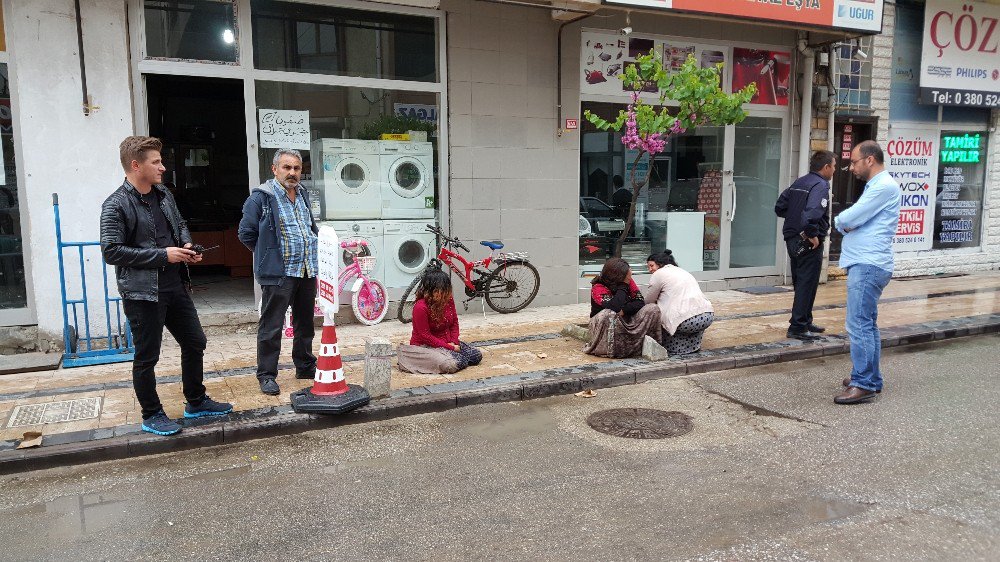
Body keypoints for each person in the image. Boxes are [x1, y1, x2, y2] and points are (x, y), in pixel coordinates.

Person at [101, 136, 232, 436]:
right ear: (136, 165)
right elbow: (111, 251)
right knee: (147, 357)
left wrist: (185, 244)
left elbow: (180, 223)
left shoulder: (163, 195)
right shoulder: (116, 204)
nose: (163, 167)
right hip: (142, 292)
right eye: (156, 162)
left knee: (195, 341)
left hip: (175, 286)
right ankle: (151, 414)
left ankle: (196, 402)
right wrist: (163, 254)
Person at [238, 149, 320, 396]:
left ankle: (305, 366)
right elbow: (246, 233)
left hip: (306, 270)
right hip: (279, 273)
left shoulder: (303, 194)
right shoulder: (261, 198)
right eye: (287, 167)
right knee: (271, 326)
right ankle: (266, 375)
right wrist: (268, 255)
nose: (292, 173)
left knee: (305, 324)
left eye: (296, 168)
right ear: (275, 169)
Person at [832, 141, 900, 405]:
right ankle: (870, 377)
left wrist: (841, 222)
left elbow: (849, 219)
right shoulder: (878, 187)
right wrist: (851, 224)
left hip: (868, 264)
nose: (851, 168)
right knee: (867, 324)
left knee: (858, 324)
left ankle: (864, 383)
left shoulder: (883, 187)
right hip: (869, 262)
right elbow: (857, 220)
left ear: (870, 160)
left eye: (854, 162)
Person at [774, 150, 835, 341]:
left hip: (792, 238)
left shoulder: (800, 182)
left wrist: (796, 217)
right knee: (807, 283)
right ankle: (798, 327)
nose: (834, 170)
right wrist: (811, 234)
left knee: (802, 282)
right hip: (807, 241)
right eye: (833, 166)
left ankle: (805, 320)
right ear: (826, 167)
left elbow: (780, 207)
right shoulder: (820, 185)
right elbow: (813, 213)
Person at [397, 268, 483, 374]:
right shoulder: (420, 307)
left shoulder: (448, 299)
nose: (442, 294)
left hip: (448, 342)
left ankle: (451, 355)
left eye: (445, 290)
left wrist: (454, 342)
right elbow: (425, 336)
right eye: (438, 291)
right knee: (453, 364)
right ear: (429, 291)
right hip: (427, 347)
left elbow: (454, 323)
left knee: (476, 356)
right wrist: (450, 347)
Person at [584, 258, 661, 358]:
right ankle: (610, 351)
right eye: (627, 275)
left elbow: (640, 302)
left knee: (653, 308)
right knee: (609, 313)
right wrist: (623, 285)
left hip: (626, 317)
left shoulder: (628, 280)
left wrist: (624, 311)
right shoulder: (598, 287)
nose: (630, 277)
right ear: (617, 275)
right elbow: (614, 307)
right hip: (604, 324)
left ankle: (647, 346)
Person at [645, 251, 714, 355]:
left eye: (651, 266)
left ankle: (673, 348)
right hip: (707, 315)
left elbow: (649, 300)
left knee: (653, 310)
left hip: (686, 321)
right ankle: (692, 347)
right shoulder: (682, 271)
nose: (650, 270)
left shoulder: (659, 274)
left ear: (660, 263)